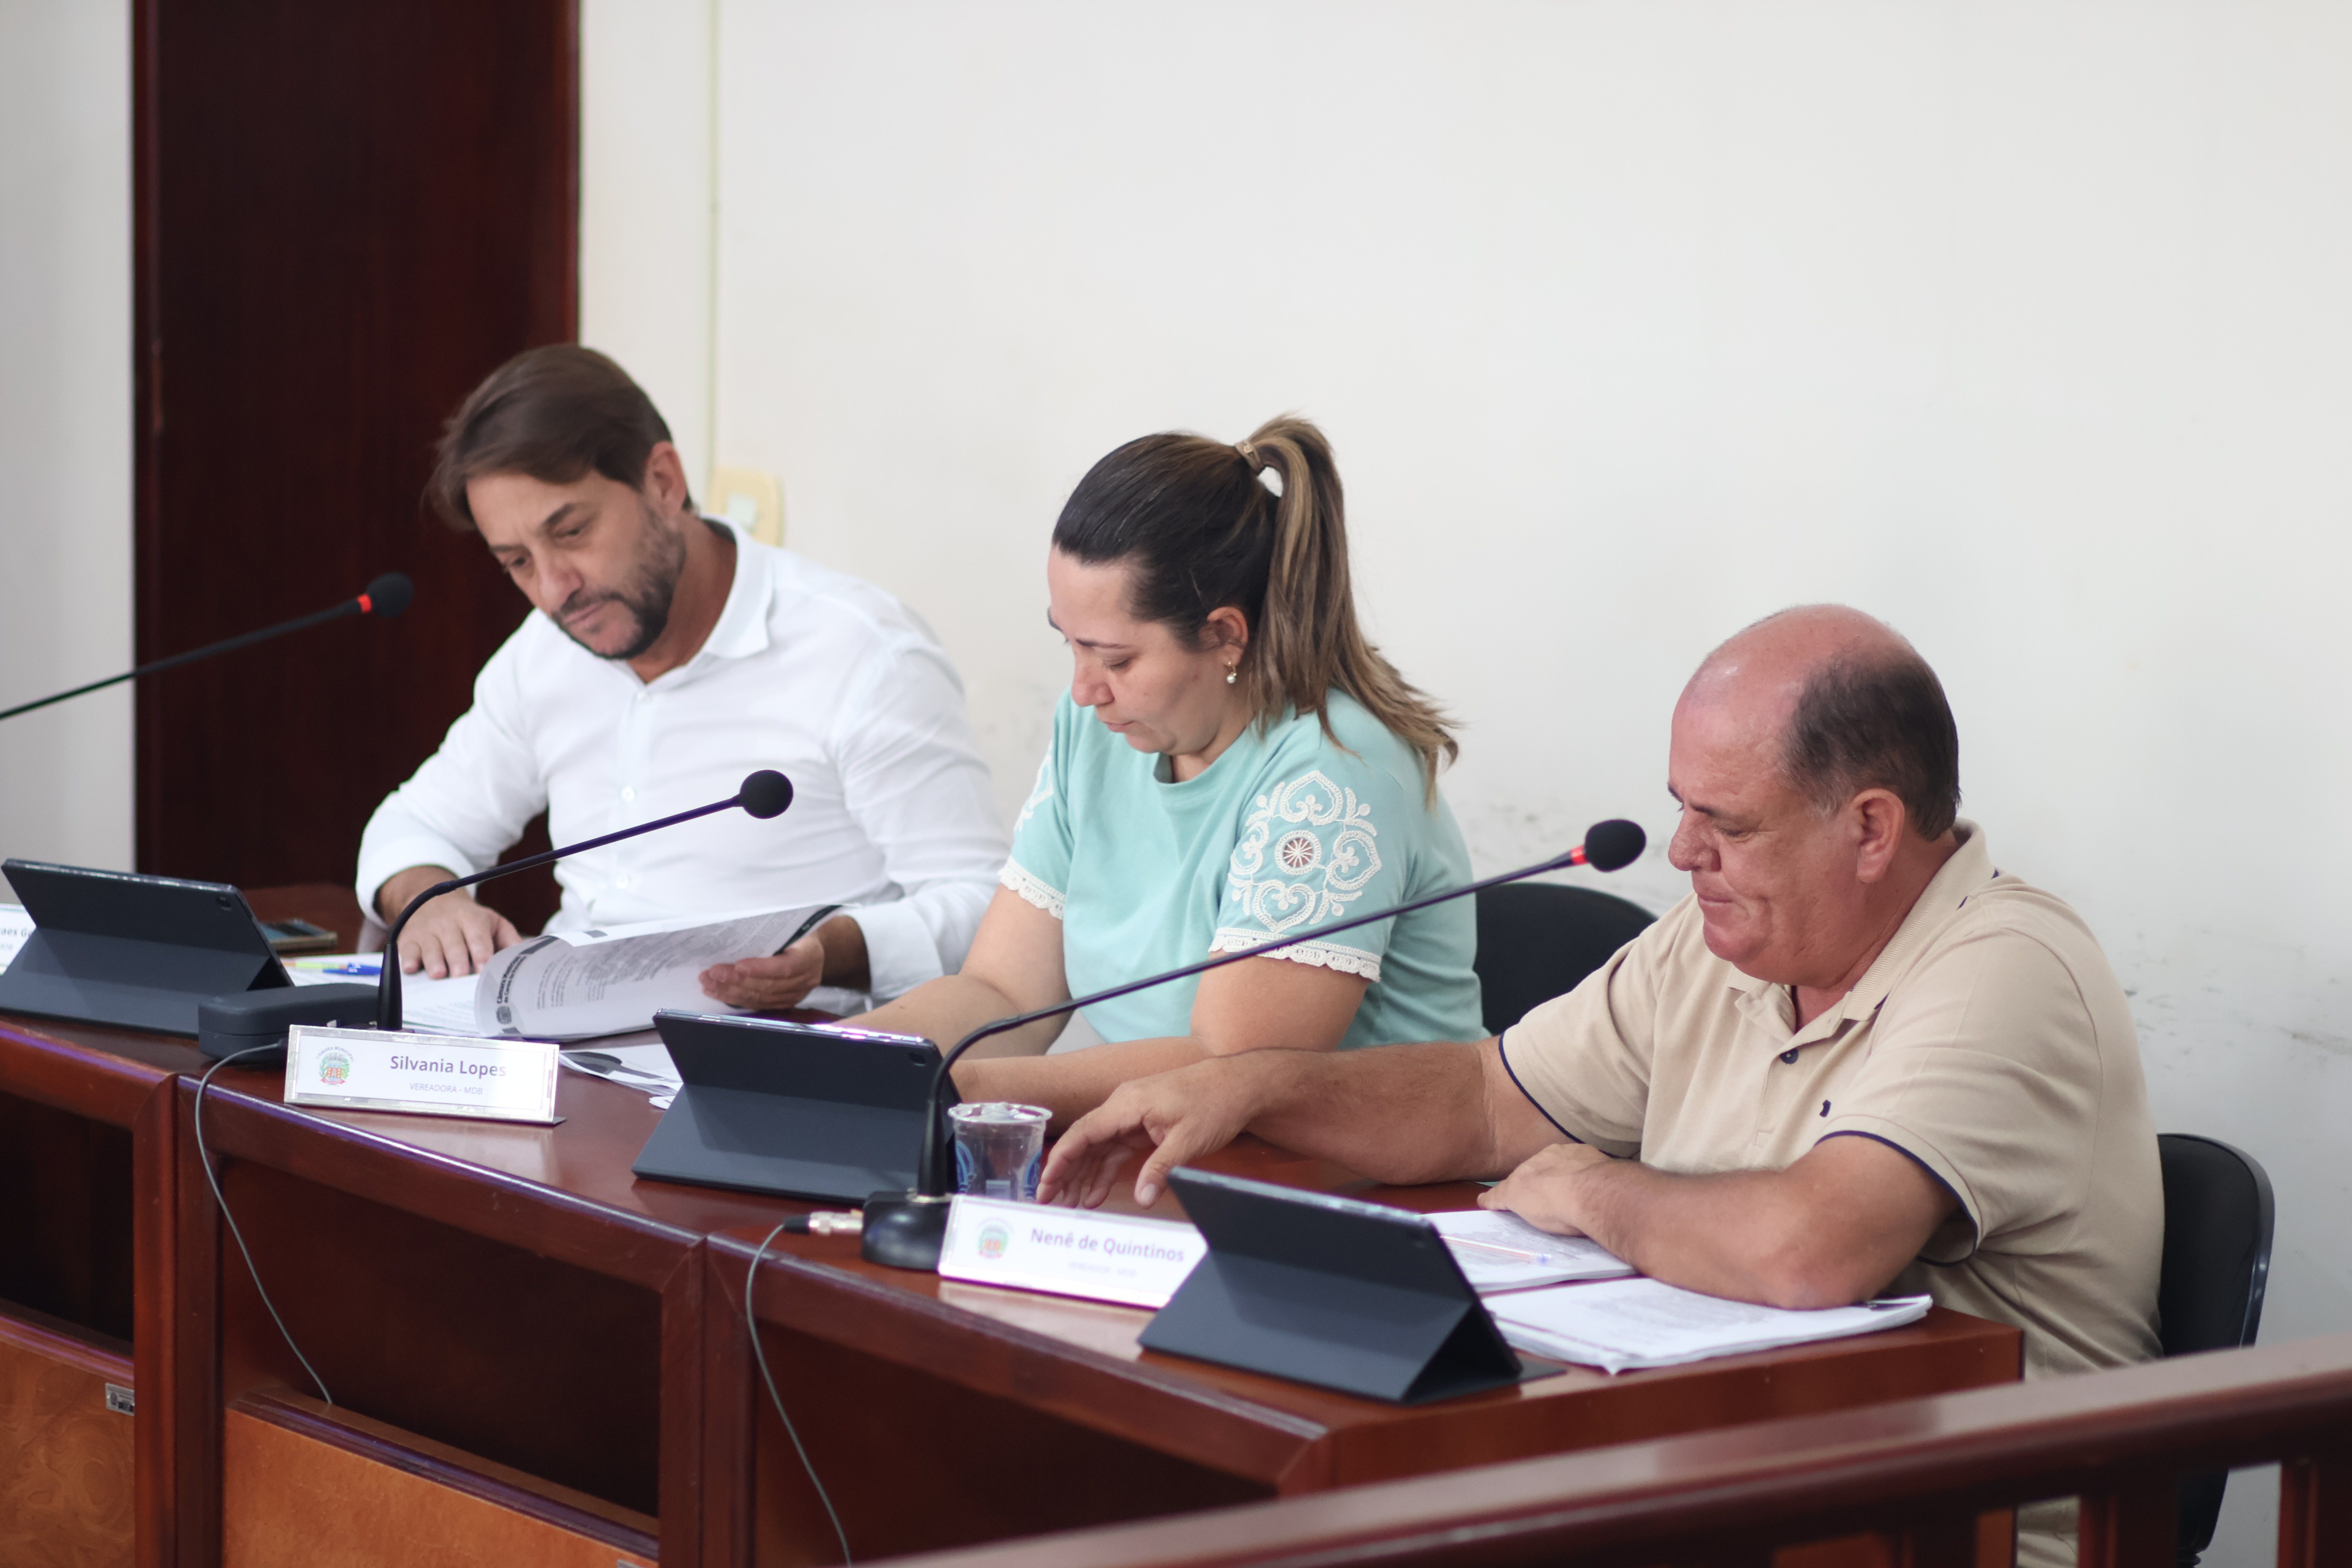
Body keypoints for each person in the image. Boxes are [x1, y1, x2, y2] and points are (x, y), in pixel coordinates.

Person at [1041, 605, 2158, 1568]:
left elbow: (1811, 1252)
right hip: (1732, 1484)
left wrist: (1593, 1191)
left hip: (1954, 1529)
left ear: (1870, 827)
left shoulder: (2003, 967)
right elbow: (1484, 1102)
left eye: (1726, 823)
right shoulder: (1724, 944)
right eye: (1682, 807)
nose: (1681, 852)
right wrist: (1249, 1087)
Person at [854, 416, 1485, 1123]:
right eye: (1070, 644)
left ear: (1225, 636)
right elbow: (1002, 995)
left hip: (1360, 1170)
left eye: (1116, 659)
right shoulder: (1098, 729)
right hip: (1164, 1153)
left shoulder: (1335, 771)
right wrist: (834, 1058)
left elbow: (1228, 1070)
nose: (1083, 689)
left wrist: (953, 1090)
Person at [357, 346, 1007, 1010]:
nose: (554, 590)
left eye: (572, 532)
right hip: (562, 1044)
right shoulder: (543, 655)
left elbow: (983, 906)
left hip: (774, 1049)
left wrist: (829, 950)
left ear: (663, 483)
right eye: (518, 562)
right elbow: (414, 825)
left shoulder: (863, 655)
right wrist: (430, 901)